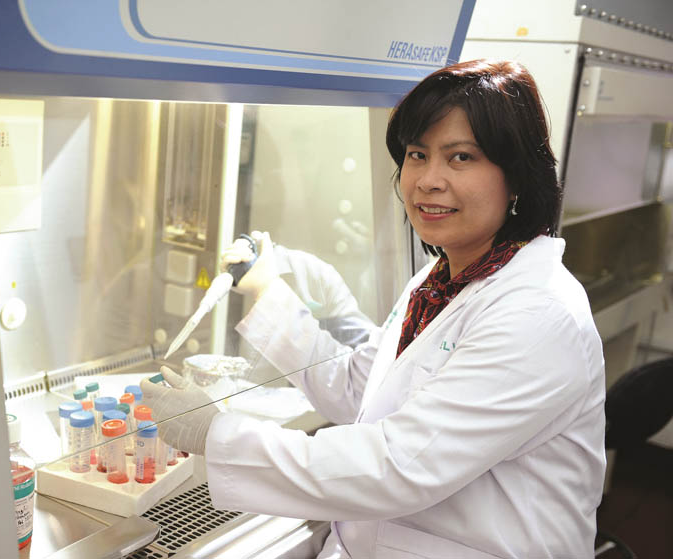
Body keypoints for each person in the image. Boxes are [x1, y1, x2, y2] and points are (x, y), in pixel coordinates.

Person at [142, 59, 606, 558]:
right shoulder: (440, 282)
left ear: (516, 175)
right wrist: (266, 292)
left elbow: (401, 466)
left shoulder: (536, 313)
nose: (427, 180)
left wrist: (218, 433)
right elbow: (363, 391)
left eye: (461, 158)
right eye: (417, 154)